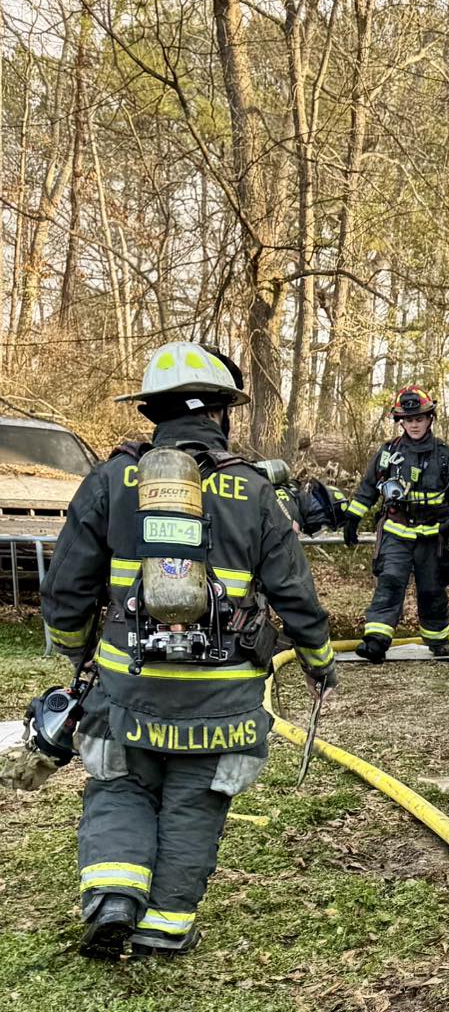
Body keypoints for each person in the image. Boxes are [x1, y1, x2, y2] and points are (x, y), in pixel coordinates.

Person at [40, 341, 335, 959]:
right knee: (195, 802)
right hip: (221, 700)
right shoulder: (253, 491)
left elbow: (66, 586)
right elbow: (294, 592)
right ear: (223, 413)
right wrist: (319, 658)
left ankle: (115, 897)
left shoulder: (111, 480)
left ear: (152, 412)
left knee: (120, 785)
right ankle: (166, 925)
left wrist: (76, 653)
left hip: (127, 690)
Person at [342, 388, 449, 662]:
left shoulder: (446, 457)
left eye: (419, 418)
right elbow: (368, 488)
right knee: (389, 582)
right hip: (396, 532)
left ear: (430, 419)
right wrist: (353, 518)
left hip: (431, 536)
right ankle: (376, 640)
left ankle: (437, 639)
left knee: (432, 589)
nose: (414, 424)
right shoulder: (388, 453)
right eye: (408, 419)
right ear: (400, 421)